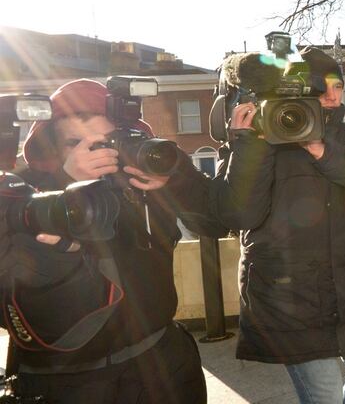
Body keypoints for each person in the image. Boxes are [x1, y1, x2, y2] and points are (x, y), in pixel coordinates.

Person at [4, 78, 218, 402]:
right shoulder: (20, 199)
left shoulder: (140, 181)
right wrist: (68, 189)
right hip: (68, 382)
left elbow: (213, 222)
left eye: (107, 141)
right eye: (75, 142)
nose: (96, 153)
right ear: (50, 148)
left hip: (163, 364)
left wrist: (176, 177)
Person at [208, 47, 345, 404]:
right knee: (323, 396)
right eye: (321, 86)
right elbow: (238, 214)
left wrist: (323, 149)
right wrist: (247, 143)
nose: (331, 95)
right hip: (293, 300)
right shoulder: (261, 139)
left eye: (338, 86)